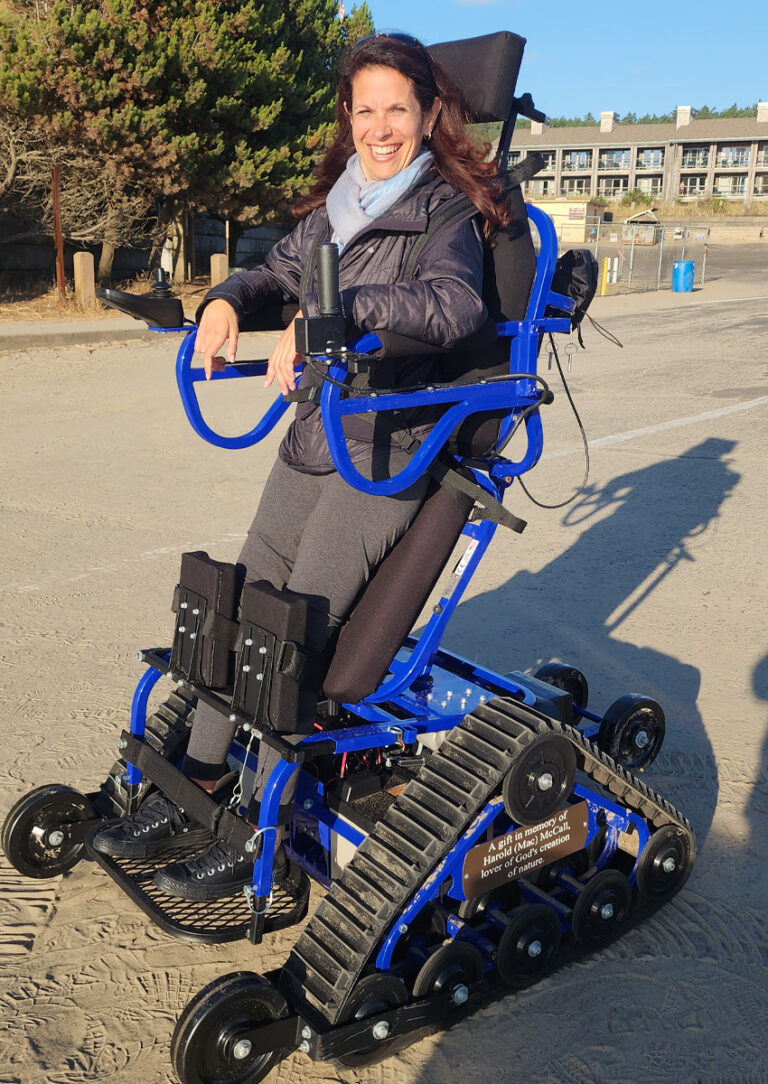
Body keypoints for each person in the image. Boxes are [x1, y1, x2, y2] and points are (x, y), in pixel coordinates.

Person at [93, 32, 514, 900]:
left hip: (386, 449)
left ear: (430, 112)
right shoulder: (336, 211)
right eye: (366, 110)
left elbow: (456, 306)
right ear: (348, 118)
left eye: (399, 107)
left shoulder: (443, 212)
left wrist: (342, 309)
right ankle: (202, 781)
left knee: (289, 634)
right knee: (238, 609)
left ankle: (258, 828)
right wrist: (221, 304)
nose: (382, 127)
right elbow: (271, 275)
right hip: (314, 436)